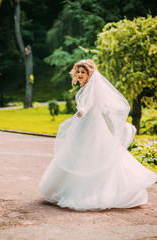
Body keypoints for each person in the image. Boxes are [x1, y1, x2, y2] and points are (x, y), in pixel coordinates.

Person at [39, 59, 157, 211]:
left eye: (83, 72)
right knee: (77, 154)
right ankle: (68, 188)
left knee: (94, 155)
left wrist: (83, 110)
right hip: (85, 124)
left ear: (89, 74)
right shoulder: (86, 87)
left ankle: (112, 193)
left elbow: (89, 103)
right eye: (78, 72)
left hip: (92, 125)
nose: (80, 74)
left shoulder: (92, 88)